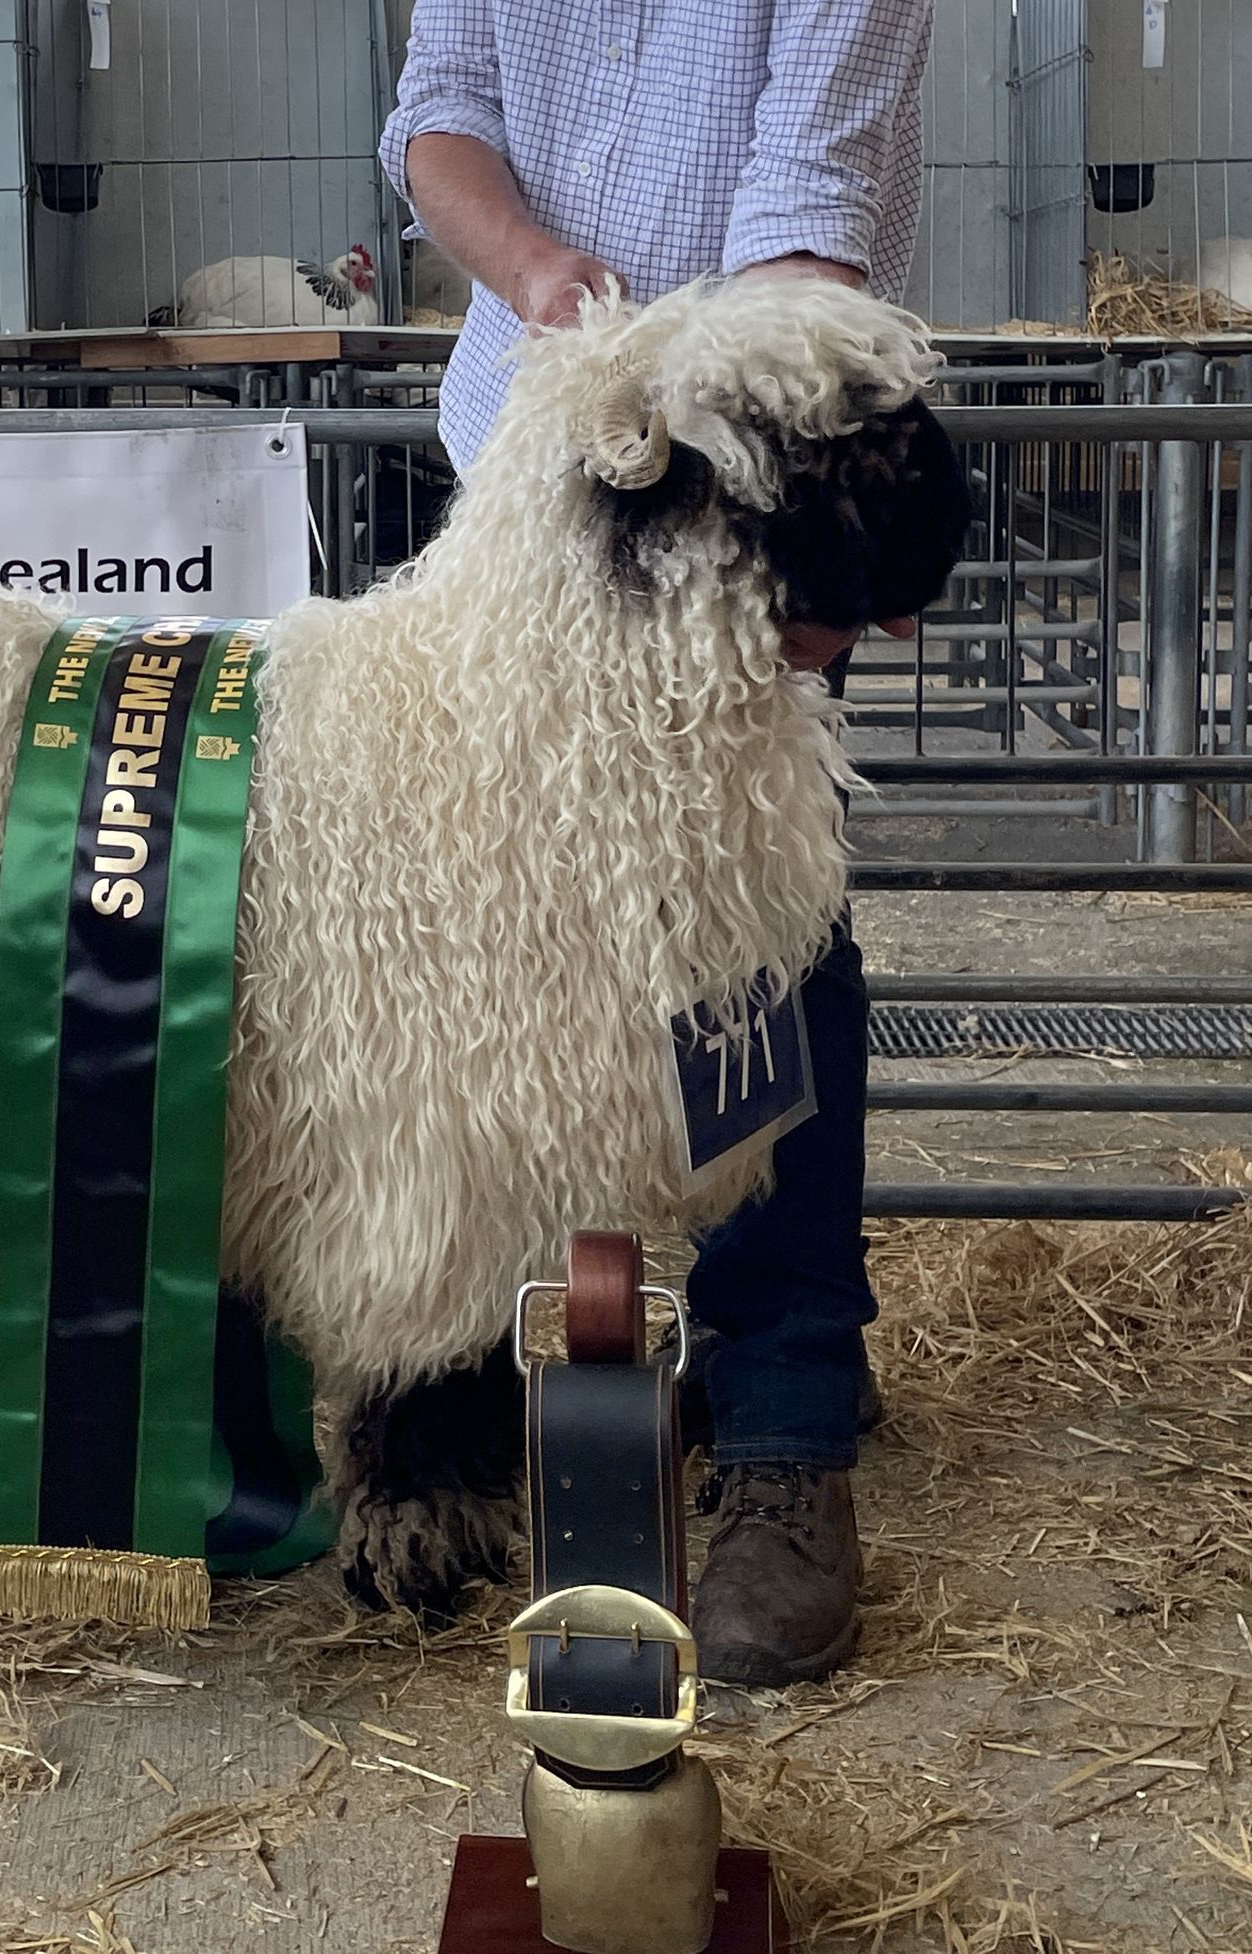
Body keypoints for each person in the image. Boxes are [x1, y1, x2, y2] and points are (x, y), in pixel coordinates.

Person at [380, 0, 937, 1687]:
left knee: (755, 930)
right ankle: (519, 1351)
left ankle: (784, 1418)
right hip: (524, 483)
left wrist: (705, 439)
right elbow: (437, 123)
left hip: (728, 509)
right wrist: (542, 276)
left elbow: (805, 235)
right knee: (504, 937)